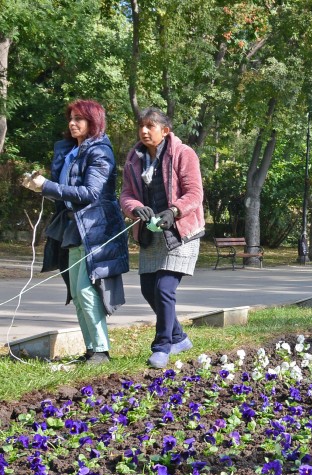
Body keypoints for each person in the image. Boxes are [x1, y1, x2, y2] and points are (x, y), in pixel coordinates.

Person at [21, 99, 128, 365]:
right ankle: (91, 350)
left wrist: (46, 186)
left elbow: (91, 194)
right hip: (72, 226)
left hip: (94, 228)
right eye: (71, 118)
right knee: (76, 292)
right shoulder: (72, 150)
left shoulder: (100, 151)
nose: (72, 123)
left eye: (79, 119)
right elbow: (63, 190)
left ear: (93, 122)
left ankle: (102, 351)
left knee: (86, 290)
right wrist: (39, 185)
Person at [120, 107, 205, 369]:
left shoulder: (184, 153)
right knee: (148, 290)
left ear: (165, 130)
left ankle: (162, 347)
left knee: (164, 288)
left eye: (150, 126)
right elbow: (124, 195)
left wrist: (173, 210)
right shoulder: (134, 159)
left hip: (181, 233)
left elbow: (194, 194)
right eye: (141, 126)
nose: (144, 131)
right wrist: (135, 207)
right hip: (151, 235)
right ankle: (179, 337)